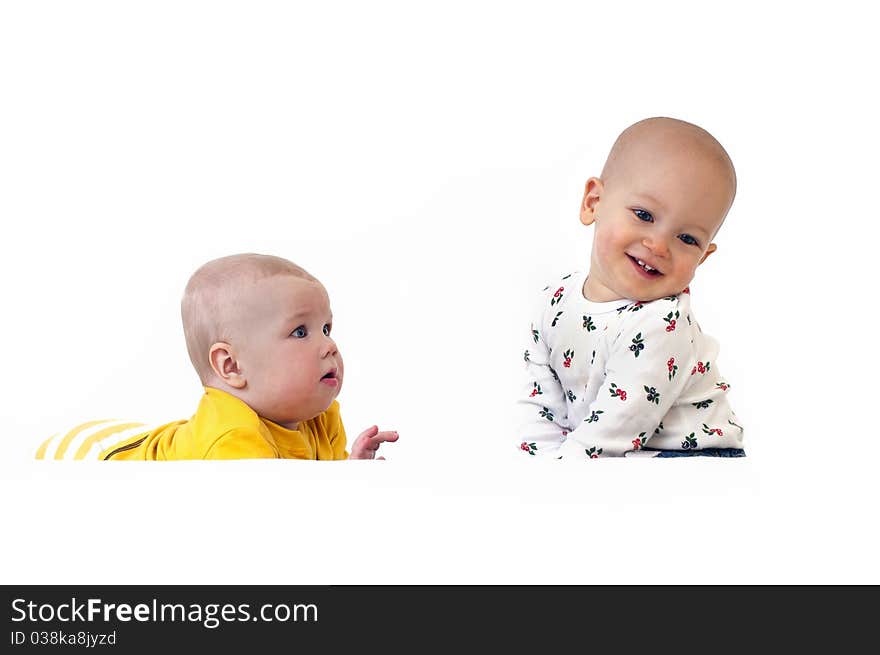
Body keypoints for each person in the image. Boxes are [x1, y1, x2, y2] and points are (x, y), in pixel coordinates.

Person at [517, 117, 745, 459]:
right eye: (644, 214)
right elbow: (541, 405)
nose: (658, 245)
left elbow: (611, 434)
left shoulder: (662, 323)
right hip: (605, 453)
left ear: (702, 257)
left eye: (687, 238)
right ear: (593, 202)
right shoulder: (556, 301)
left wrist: (557, 472)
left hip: (690, 460)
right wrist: (531, 462)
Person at [54, 253, 398, 460]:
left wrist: (351, 470)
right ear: (231, 366)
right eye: (300, 332)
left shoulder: (319, 415)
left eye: (326, 328)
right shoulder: (232, 439)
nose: (329, 346)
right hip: (90, 453)